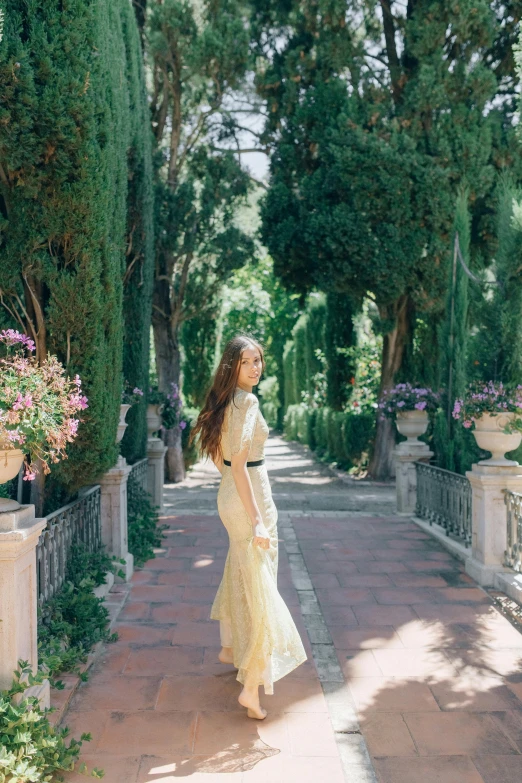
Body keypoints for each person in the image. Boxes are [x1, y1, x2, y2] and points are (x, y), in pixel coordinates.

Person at [190, 334, 306, 719]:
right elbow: (239, 466)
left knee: (242, 573)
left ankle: (230, 648)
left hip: (232, 494)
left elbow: (225, 463)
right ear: (232, 367)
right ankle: (252, 686)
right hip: (248, 496)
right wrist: (258, 520)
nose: (256, 367)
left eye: (258, 360)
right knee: (261, 589)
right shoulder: (248, 401)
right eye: (247, 362)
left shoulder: (229, 401)